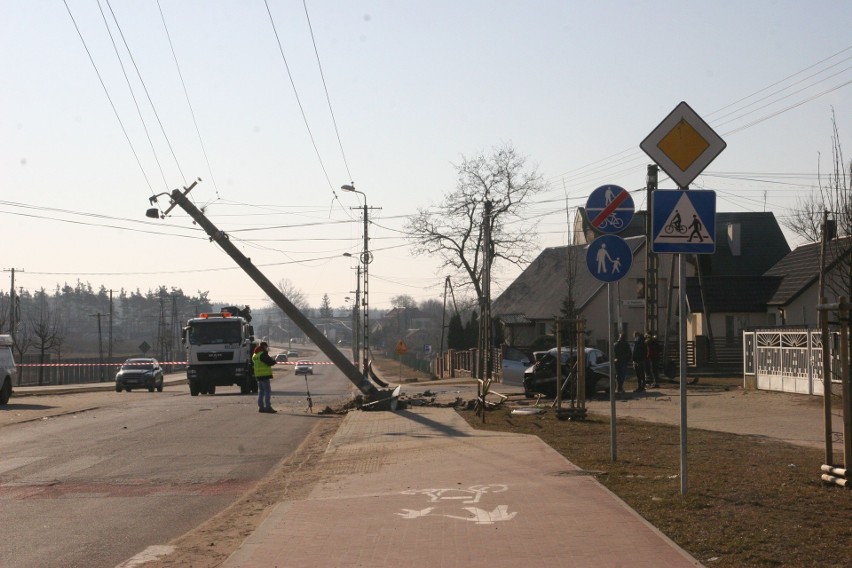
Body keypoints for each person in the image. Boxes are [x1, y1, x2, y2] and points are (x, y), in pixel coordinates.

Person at [252, 341, 277, 413]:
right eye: (266, 347)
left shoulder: (255, 355)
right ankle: (268, 407)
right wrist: (274, 361)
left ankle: (261, 407)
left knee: (261, 392)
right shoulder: (262, 354)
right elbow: (270, 362)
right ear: (263, 346)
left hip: (258, 375)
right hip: (265, 375)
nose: (267, 348)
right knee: (267, 391)